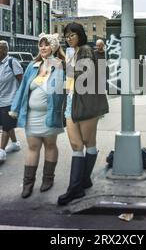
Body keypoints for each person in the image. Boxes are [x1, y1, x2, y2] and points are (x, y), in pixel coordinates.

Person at [57, 22, 109, 206]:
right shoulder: (76, 51)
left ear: (80, 34)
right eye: (66, 35)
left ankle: (80, 183)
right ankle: (77, 186)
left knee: (88, 143)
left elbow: (83, 75)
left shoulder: (85, 50)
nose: (69, 38)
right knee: (76, 144)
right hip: (73, 101)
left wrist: (63, 61)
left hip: (86, 104)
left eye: (72, 34)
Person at [9, 33, 66, 198]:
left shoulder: (61, 66)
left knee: (50, 146)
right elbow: (22, 89)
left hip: (50, 116)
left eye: (46, 45)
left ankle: (48, 179)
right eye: (40, 45)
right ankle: (28, 183)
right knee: (33, 148)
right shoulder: (32, 66)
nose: (42, 48)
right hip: (32, 116)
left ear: (54, 47)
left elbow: (68, 88)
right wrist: (15, 108)